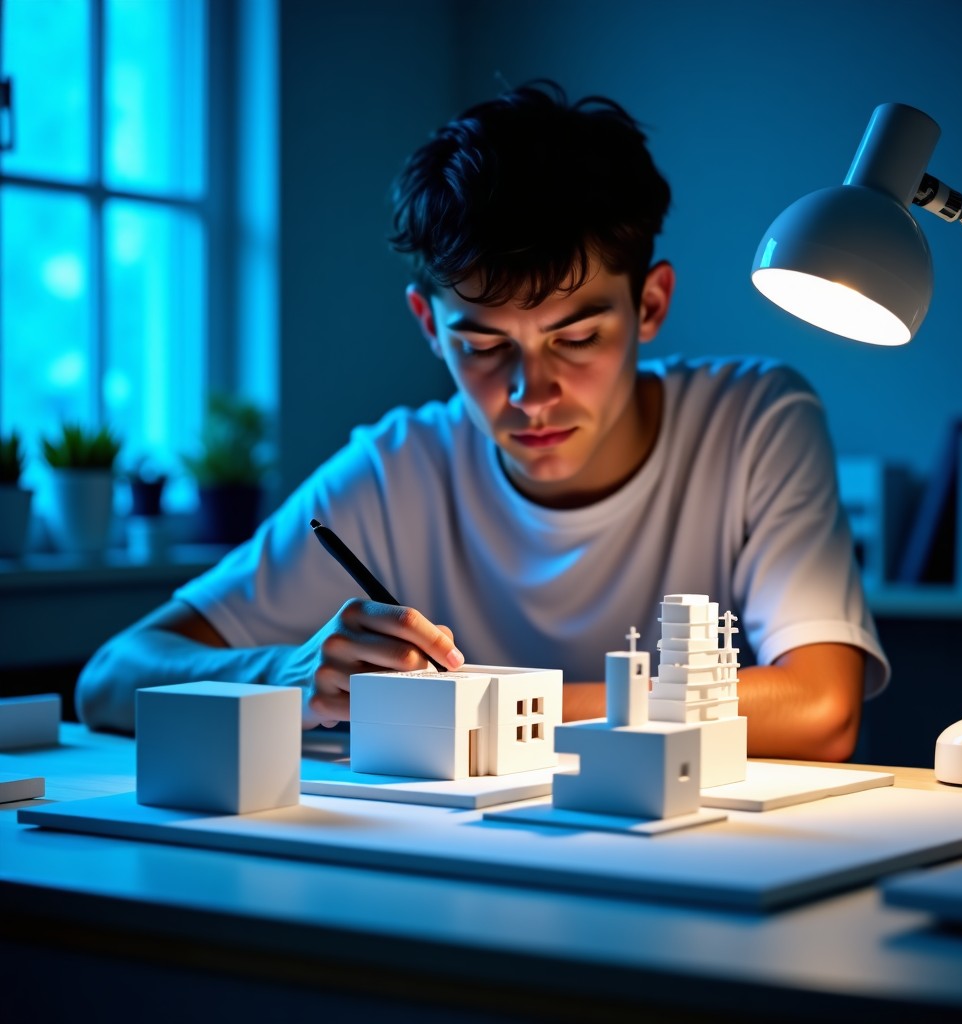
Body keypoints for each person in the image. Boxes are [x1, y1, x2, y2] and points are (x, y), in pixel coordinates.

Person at [76, 81, 888, 760]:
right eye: (483, 343)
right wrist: (284, 674)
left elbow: (821, 709)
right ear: (430, 326)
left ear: (651, 305)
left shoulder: (754, 420)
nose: (531, 393)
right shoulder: (400, 466)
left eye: (576, 338)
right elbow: (111, 674)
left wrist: (491, 709)